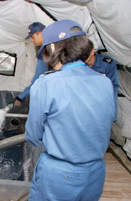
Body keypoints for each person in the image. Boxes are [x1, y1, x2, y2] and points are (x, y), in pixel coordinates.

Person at [25, 20, 115, 201]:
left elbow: (33, 135)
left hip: (59, 175)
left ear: (51, 48)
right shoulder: (105, 82)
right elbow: (109, 119)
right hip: (95, 173)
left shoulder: (46, 84)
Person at [13, 22, 49, 107]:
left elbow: (38, 80)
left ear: (41, 33)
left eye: (33, 37)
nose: (32, 40)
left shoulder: (45, 52)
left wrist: (20, 97)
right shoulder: (54, 46)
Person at [85, 39, 119, 120]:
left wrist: (112, 114)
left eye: (86, 53)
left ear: (93, 52)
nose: (83, 57)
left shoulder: (107, 64)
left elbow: (113, 88)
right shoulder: (78, 65)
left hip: (103, 106)